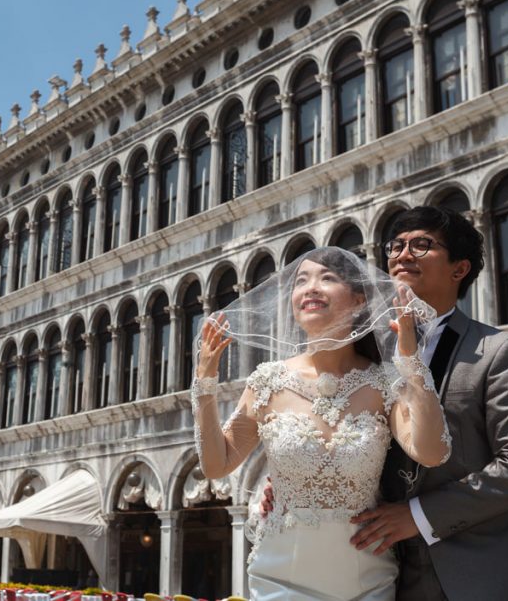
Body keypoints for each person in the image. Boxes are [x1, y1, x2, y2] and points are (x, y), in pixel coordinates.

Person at [193, 247, 451, 600]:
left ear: (359, 300)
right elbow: (216, 464)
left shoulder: (383, 383)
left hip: (366, 579)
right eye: (301, 281)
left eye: (327, 278)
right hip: (280, 578)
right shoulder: (267, 382)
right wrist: (205, 384)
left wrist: (411, 361)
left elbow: (432, 452)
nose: (311, 288)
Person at [349, 206, 508, 600]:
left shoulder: (497, 351)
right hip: (379, 574)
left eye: (422, 245)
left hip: (482, 577)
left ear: (459, 269)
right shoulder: (363, 350)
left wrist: (419, 516)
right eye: (397, 245)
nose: (402, 255)